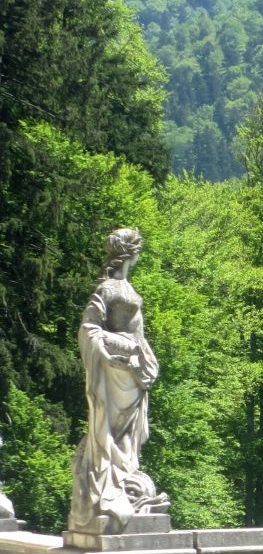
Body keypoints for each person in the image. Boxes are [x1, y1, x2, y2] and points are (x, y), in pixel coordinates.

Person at [68, 228, 170, 534]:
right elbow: (88, 327)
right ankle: (117, 484)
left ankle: (126, 481)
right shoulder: (109, 289)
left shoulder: (121, 286)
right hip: (117, 369)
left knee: (130, 436)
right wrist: (114, 350)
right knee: (111, 431)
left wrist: (144, 356)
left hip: (132, 371)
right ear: (131, 252)